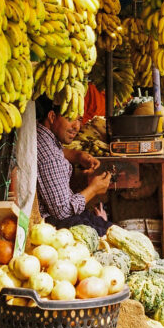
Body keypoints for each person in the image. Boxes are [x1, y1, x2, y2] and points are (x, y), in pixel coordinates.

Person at [35, 95, 112, 234]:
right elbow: (63, 212)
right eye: (71, 118)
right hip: (54, 226)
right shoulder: (52, 159)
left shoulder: (39, 133)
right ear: (52, 117)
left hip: (60, 216)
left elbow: (55, 150)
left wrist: (78, 156)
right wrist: (94, 189)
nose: (77, 126)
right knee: (107, 230)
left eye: (79, 119)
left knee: (104, 225)